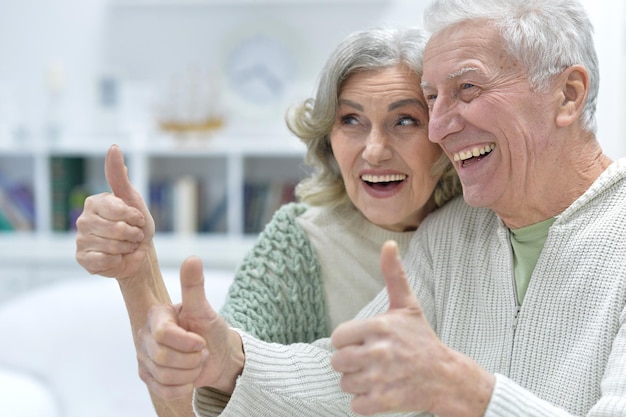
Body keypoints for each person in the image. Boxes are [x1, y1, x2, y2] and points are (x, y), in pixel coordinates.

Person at [139, 0, 626, 415]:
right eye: (433, 99)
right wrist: (231, 360)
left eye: (468, 89)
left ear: (568, 94)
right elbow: (350, 374)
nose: (437, 130)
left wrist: (467, 391)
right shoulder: (452, 233)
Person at [75, 27, 461, 416]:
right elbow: (199, 394)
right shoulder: (297, 245)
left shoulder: (487, 228)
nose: (374, 151)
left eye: (405, 121)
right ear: (328, 135)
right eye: (351, 119)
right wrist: (139, 272)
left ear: (442, 131)